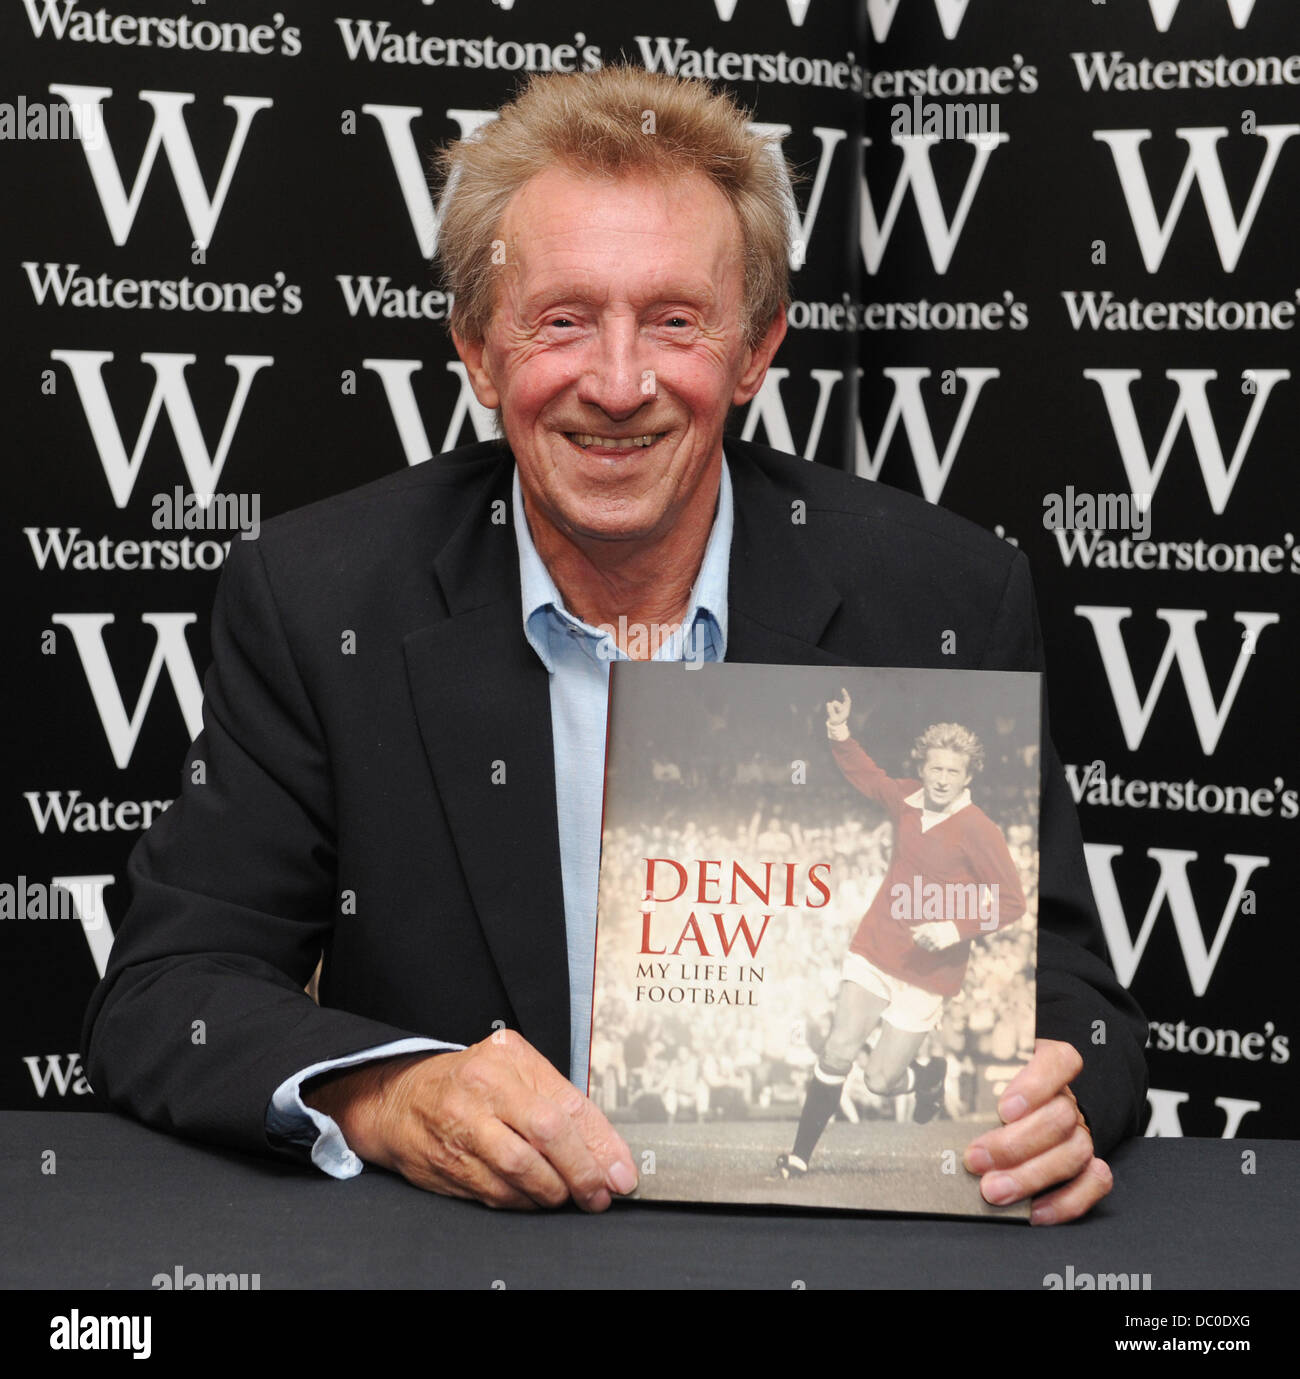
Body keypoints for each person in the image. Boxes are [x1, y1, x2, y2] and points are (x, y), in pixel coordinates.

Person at [81, 64, 1146, 1224]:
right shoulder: (317, 599)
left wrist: (1064, 1091)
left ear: (757, 350)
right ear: (478, 350)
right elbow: (167, 993)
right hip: (462, 1256)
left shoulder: (942, 595)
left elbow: (1073, 991)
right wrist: (394, 1092)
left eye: (676, 321)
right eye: (563, 320)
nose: (620, 382)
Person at [779, 697, 1027, 1180]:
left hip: (928, 972)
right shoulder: (907, 798)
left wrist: (955, 926)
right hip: (876, 948)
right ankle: (798, 1157)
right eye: (934, 767)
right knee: (837, 1050)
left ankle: (926, 1078)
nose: (940, 778)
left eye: (951, 772)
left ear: (967, 776)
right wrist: (839, 728)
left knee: (878, 1080)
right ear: (923, 766)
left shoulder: (980, 829)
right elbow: (865, 773)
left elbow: (1013, 901)